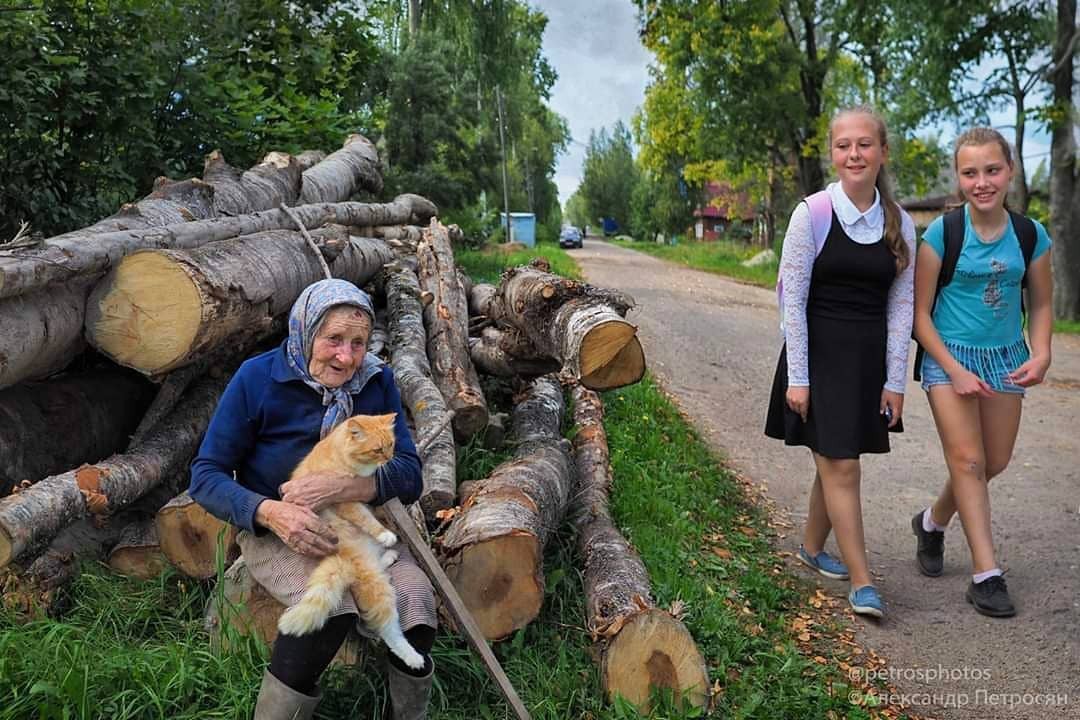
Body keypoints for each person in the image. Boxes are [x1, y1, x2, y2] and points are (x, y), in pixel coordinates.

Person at [189, 279, 435, 720]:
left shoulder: (377, 381)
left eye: (358, 343)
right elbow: (205, 476)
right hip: (281, 529)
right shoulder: (258, 379)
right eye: (333, 339)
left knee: (415, 599)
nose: (346, 356)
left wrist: (343, 487)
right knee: (329, 607)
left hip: (358, 520)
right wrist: (269, 512)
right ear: (305, 332)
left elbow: (410, 474)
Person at [765, 105, 916, 619]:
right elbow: (793, 302)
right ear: (833, 153)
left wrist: (895, 381)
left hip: (866, 363)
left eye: (864, 144)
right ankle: (863, 580)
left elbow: (901, 308)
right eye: (843, 145)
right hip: (818, 357)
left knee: (833, 459)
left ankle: (811, 547)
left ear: (882, 152)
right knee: (842, 465)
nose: (854, 154)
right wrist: (800, 378)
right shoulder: (812, 215)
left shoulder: (900, 223)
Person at [910, 127, 1052, 618]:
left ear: (1010, 171)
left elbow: (1042, 302)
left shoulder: (1030, 235)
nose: (982, 182)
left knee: (994, 461)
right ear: (959, 177)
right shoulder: (942, 234)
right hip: (948, 356)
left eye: (992, 170)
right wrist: (953, 370)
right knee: (968, 460)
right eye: (970, 173)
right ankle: (986, 575)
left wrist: (1043, 350)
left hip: (1006, 357)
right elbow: (919, 315)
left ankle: (931, 522)